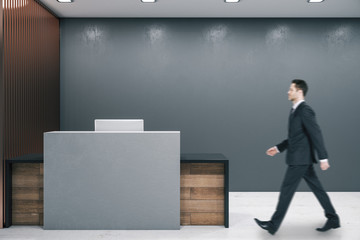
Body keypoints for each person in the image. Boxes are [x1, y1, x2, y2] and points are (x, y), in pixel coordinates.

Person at [254, 79, 340, 235]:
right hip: (302, 159)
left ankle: (273, 225)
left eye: (291, 89)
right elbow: (295, 137)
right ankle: (333, 218)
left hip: (299, 160)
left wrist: (323, 158)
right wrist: (278, 148)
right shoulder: (294, 111)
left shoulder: (305, 110)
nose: (288, 92)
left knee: (286, 191)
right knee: (318, 189)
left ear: (300, 91)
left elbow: (316, 133)